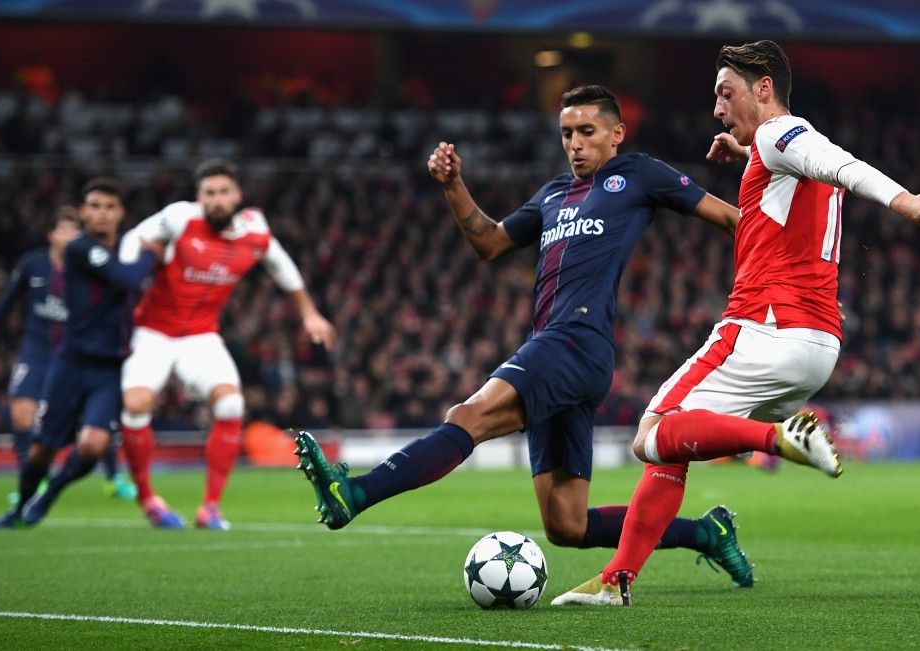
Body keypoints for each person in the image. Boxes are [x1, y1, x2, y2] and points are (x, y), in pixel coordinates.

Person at [295, 85, 758, 586]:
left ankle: (357, 492)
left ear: (616, 134)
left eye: (587, 131)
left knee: (467, 417)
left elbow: (734, 220)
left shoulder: (640, 173)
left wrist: (765, 280)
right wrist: (454, 186)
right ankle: (707, 534)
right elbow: (491, 244)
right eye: (566, 134)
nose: (575, 143)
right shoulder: (553, 194)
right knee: (566, 524)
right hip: (562, 348)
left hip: (577, 341)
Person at [552, 40, 920, 606]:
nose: (717, 107)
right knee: (677, 447)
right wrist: (747, 158)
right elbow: (811, 175)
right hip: (817, 344)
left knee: (652, 434)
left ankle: (780, 439)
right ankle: (617, 582)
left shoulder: (779, 133)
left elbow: (839, 163)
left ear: (764, 87)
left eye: (726, 92)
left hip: (763, 327)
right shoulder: (774, 149)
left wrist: (903, 200)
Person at [117, 158, 338, 531]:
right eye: (209, 194)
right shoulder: (180, 218)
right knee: (136, 405)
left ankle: (211, 508)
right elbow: (131, 239)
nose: (216, 200)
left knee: (232, 402)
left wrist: (310, 313)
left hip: (200, 335)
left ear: (237, 195)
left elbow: (281, 266)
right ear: (199, 197)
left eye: (223, 192)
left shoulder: (254, 230)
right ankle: (148, 499)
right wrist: (120, 281)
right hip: (152, 331)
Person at [0, 178, 159, 530]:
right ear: (83, 212)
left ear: (121, 212)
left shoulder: (123, 249)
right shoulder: (81, 248)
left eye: (110, 206)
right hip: (71, 364)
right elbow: (127, 278)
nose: (102, 213)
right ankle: (20, 509)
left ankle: (49, 497)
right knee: (41, 450)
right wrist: (154, 252)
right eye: (94, 206)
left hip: (109, 369)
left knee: (93, 445)